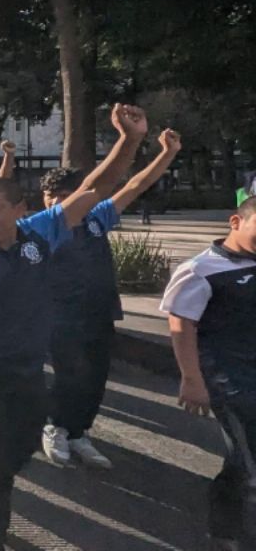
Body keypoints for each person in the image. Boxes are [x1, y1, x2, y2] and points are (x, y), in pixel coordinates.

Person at [0, 103, 146, 551]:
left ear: (20, 210)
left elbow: (96, 188)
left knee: (21, 448)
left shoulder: (41, 233)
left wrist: (129, 141)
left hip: (28, 366)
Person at [40, 127, 181, 469]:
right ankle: (55, 427)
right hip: (59, 315)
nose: (57, 201)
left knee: (95, 376)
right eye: (51, 195)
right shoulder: (43, 226)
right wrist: (128, 140)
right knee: (69, 374)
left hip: (99, 312)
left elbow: (134, 186)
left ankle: (78, 432)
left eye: (64, 194)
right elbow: (100, 182)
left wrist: (167, 154)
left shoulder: (97, 218)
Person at [163, 196, 256, 550]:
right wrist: (191, 378)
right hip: (228, 380)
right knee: (248, 462)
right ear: (236, 221)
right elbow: (181, 324)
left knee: (242, 459)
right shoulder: (201, 269)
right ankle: (227, 532)